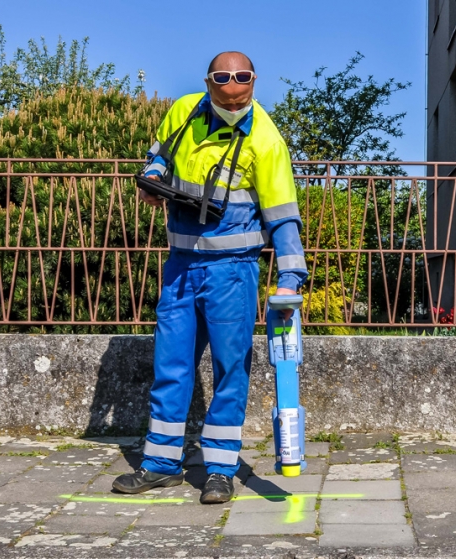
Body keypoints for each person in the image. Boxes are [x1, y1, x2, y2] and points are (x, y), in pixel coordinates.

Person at [112, 51, 307, 504]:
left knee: (229, 370)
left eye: (243, 89)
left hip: (232, 274)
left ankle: (219, 468)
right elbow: (157, 155)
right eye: (225, 85)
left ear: (254, 84)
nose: (234, 98)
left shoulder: (266, 139)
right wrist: (153, 176)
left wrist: (291, 277)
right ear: (209, 83)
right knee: (170, 365)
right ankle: (160, 464)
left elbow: (283, 217)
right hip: (180, 267)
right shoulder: (183, 111)